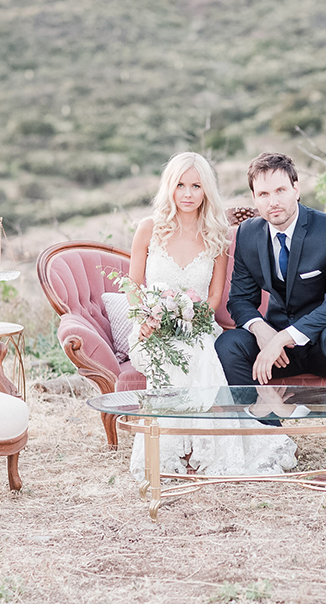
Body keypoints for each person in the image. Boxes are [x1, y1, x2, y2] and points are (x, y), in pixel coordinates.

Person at [126, 151, 297, 480]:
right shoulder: (148, 229)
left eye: (196, 186)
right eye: (180, 185)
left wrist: (186, 316)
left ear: (206, 191)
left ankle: (207, 453)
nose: (187, 194)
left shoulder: (216, 235)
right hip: (151, 328)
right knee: (173, 357)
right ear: (169, 188)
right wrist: (150, 317)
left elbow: (215, 299)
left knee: (204, 354)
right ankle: (176, 451)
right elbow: (133, 288)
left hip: (198, 325)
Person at [215, 152, 326, 471]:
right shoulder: (247, 235)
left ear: (296, 189)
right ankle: (270, 442)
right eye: (263, 194)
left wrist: (284, 338)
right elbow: (239, 302)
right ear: (254, 199)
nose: (273, 201)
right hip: (279, 344)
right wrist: (265, 333)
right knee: (228, 345)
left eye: (280, 190)